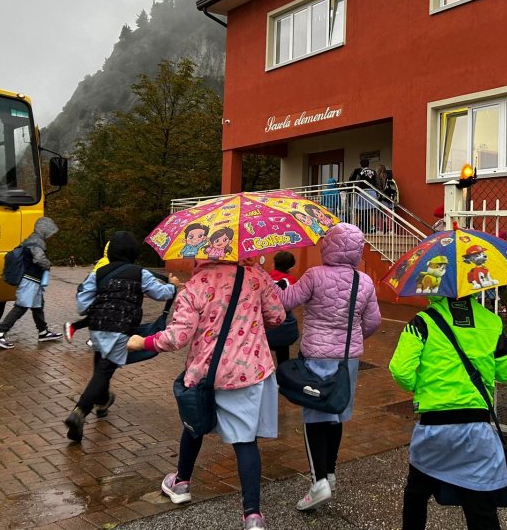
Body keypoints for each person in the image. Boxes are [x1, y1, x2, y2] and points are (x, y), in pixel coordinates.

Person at [126, 257, 285, 530]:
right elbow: (278, 317)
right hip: (248, 371)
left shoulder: (195, 285)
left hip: (206, 373)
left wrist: (144, 341)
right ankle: (253, 517)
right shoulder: (257, 276)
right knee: (245, 441)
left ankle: (181, 483)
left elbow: (178, 337)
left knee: (194, 424)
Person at [389, 293, 507, 530]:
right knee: (480, 504)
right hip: (476, 428)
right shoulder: (491, 321)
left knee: (416, 492)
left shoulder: (422, 322)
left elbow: (400, 371)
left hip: (433, 428)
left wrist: (424, 387)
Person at [278, 222, 382, 511]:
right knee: (336, 412)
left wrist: (268, 284)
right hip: (347, 358)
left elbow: (288, 301)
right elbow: (373, 322)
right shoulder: (365, 281)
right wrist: (353, 337)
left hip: (316, 357)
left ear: (328, 246)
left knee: (314, 416)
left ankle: (319, 480)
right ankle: (331, 472)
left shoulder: (314, 275)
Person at [63, 231, 179, 442]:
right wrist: (172, 285)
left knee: (101, 362)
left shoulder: (97, 273)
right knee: (105, 371)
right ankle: (80, 411)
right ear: (133, 252)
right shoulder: (140, 273)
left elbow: (82, 306)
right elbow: (161, 294)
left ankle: (102, 401)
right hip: (121, 329)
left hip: (97, 328)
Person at [0, 217, 63, 349]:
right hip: (30, 280)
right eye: (49, 231)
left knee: (38, 306)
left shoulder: (32, 239)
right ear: (44, 229)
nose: (50, 235)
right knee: (21, 307)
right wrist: (48, 264)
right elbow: (39, 259)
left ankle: (43, 332)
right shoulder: (37, 242)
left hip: (33, 279)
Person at [64, 241, 111, 344]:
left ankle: (76, 329)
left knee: (101, 315)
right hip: (95, 295)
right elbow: (96, 281)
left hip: (97, 295)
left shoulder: (106, 261)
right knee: (103, 314)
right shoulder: (106, 262)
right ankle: (77, 330)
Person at [265, 251, 299, 365]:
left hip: (266, 324)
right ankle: (282, 378)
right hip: (284, 324)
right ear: (291, 266)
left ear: (274, 263)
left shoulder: (266, 277)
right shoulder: (291, 280)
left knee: (265, 356)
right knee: (283, 357)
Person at [348, 158, 378, 233]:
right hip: (372, 192)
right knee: (372, 211)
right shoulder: (373, 172)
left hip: (362, 192)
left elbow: (356, 181)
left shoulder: (360, 171)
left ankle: (357, 226)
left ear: (360, 165)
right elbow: (377, 182)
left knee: (358, 210)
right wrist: (378, 192)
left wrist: (355, 189)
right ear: (368, 164)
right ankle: (372, 227)